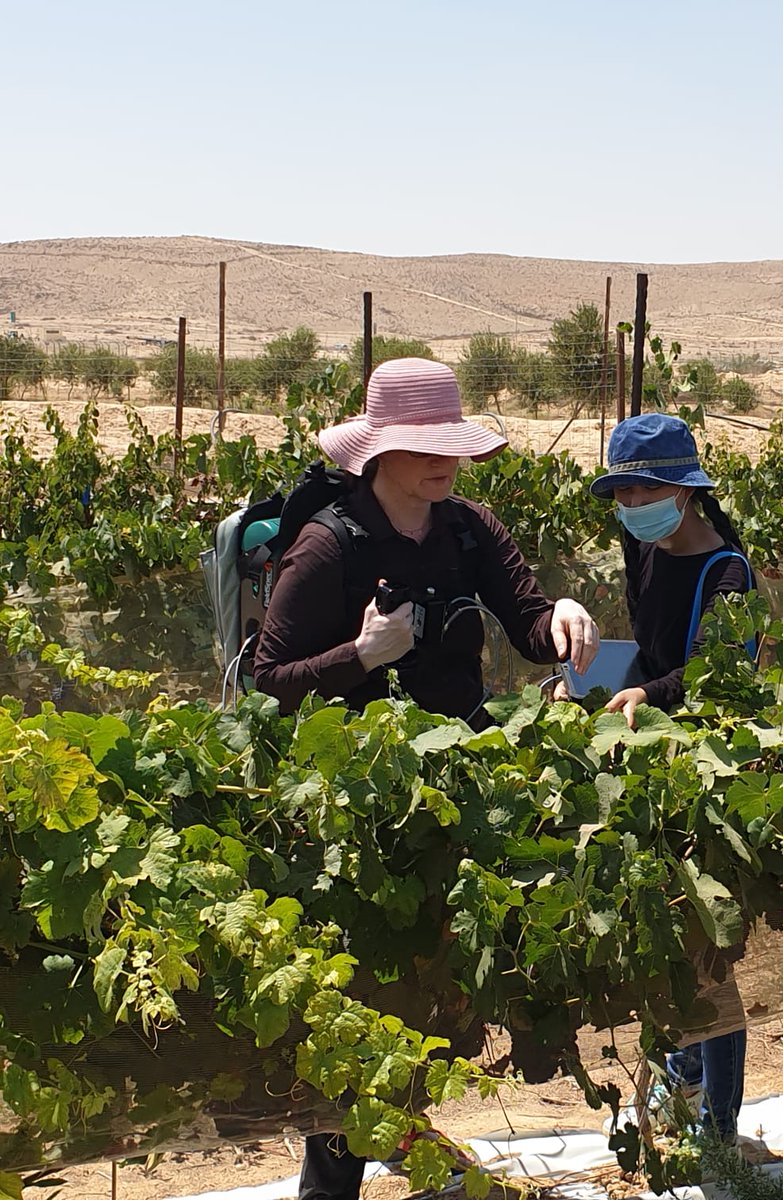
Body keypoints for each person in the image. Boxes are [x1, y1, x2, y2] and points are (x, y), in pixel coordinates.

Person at [254, 357, 599, 1200]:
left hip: (455, 789)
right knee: (363, 990)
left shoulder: (469, 528)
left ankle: (404, 1142)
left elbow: (526, 621)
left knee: (427, 986)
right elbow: (269, 681)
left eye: (452, 444)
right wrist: (360, 656)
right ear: (377, 453)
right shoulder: (327, 545)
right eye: (425, 447)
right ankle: (334, 1185)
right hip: (357, 803)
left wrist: (559, 617)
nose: (446, 461)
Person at [588, 412, 754, 1145]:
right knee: (667, 938)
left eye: (644, 492)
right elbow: (650, 650)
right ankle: (681, 1076)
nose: (631, 506)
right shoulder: (642, 546)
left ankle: (719, 1127)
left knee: (711, 952)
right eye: (622, 494)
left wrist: (649, 694)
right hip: (654, 755)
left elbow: (721, 672)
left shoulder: (726, 571)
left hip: (710, 766)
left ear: (685, 492)